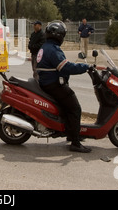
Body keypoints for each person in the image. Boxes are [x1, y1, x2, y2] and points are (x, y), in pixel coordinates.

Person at [37, 21, 92, 153]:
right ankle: (75, 142)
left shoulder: (45, 47)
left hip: (46, 83)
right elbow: (65, 67)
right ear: (59, 36)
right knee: (75, 108)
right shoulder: (53, 50)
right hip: (53, 85)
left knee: (67, 107)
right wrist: (86, 67)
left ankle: (71, 132)